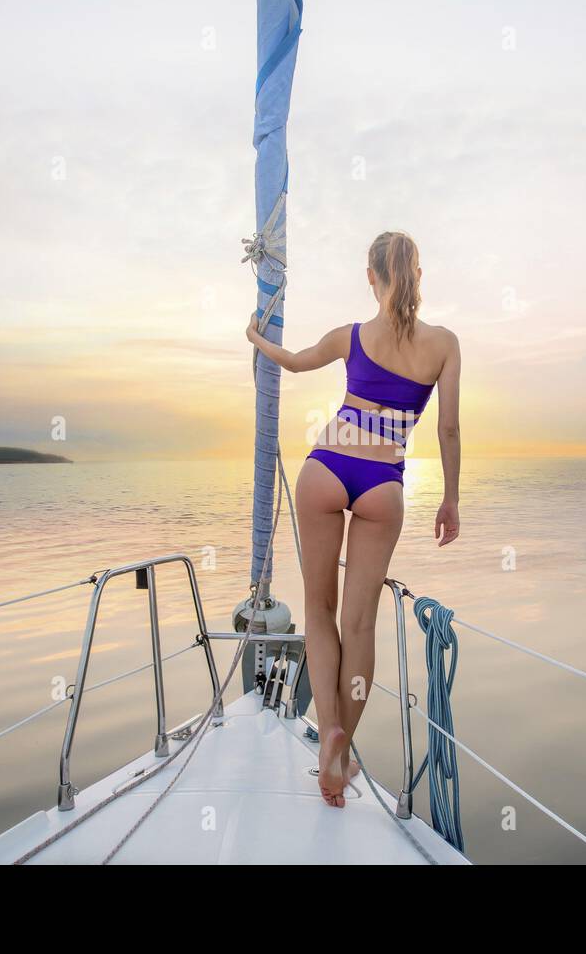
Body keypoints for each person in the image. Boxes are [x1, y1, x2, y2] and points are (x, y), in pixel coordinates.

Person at [246, 230, 461, 807]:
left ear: (372, 277)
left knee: (319, 610)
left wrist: (255, 338)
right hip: (382, 487)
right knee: (359, 624)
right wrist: (451, 500)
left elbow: (292, 363)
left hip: (327, 468)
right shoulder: (443, 344)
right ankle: (344, 747)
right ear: (418, 273)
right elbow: (447, 428)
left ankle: (328, 731)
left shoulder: (351, 336)